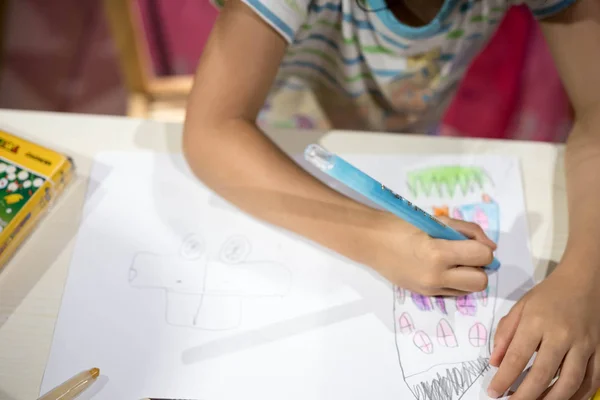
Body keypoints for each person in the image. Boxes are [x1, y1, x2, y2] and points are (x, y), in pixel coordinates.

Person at [182, 0, 600, 399]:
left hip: (406, 155)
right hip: (272, 165)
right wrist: (375, 237)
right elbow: (212, 130)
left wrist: (583, 278)